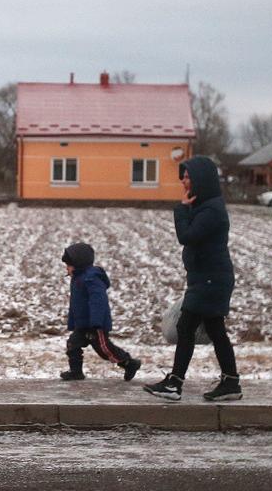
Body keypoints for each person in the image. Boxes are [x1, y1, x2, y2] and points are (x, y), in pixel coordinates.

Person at [144, 155, 242, 402]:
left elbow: (186, 236)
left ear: (201, 179)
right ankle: (231, 382)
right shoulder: (206, 206)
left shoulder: (211, 210)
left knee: (186, 326)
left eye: (188, 177)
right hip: (207, 278)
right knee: (215, 330)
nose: (184, 181)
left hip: (210, 280)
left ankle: (175, 383)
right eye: (183, 177)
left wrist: (181, 208)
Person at [60, 242, 142, 382]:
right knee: (72, 344)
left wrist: (96, 322)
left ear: (78, 264)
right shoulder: (77, 278)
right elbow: (77, 303)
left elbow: (98, 301)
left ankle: (129, 363)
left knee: (105, 350)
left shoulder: (91, 278)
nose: (66, 268)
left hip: (94, 324)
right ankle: (76, 372)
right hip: (83, 324)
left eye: (68, 265)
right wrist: (74, 322)